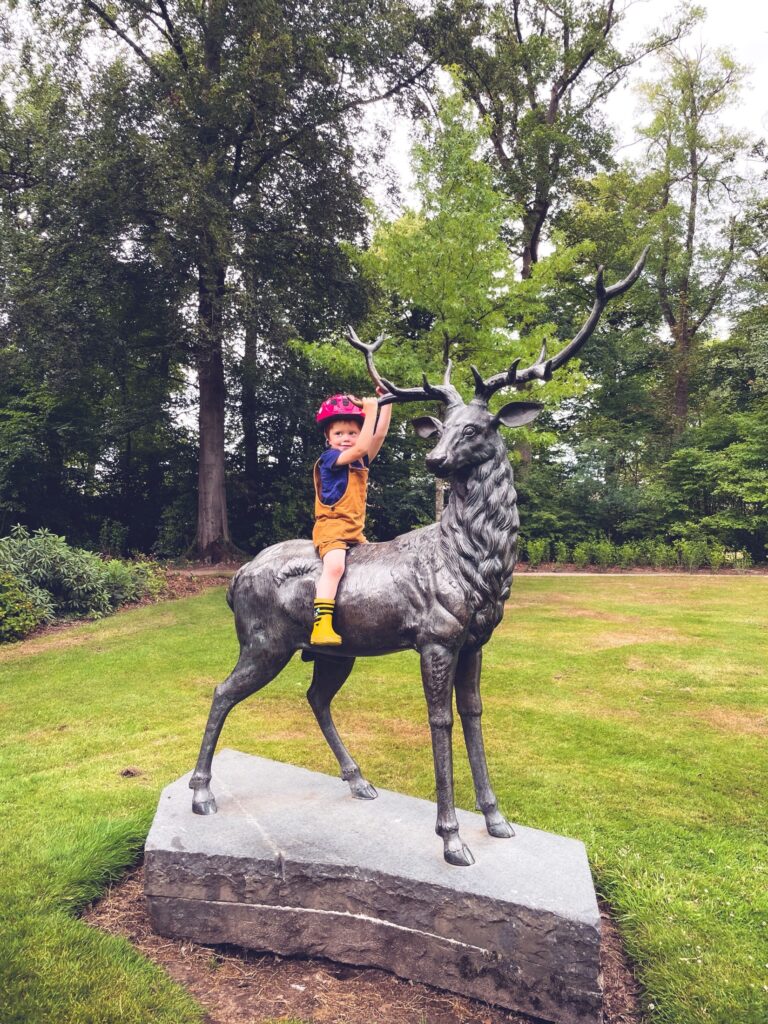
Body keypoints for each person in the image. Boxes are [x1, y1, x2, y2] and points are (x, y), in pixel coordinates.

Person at [311, 390, 392, 645]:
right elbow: (361, 447)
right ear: (328, 437)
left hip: (355, 533)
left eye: (351, 433)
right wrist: (369, 413)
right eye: (339, 433)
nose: (345, 438)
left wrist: (385, 403)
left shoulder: (359, 461)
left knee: (376, 569)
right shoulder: (331, 459)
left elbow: (377, 436)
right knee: (335, 567)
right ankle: (320, 624)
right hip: (331, 529)